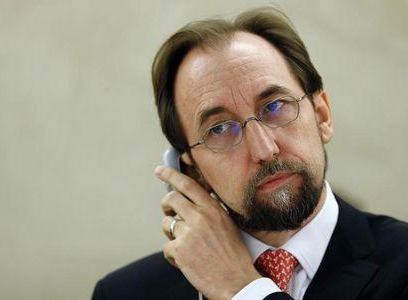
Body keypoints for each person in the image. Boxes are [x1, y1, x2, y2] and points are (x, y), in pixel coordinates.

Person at [92, 7, 408, 300]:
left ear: (322, 115)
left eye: (275, 107)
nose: (264, 149)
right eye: (219, 129)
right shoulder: (124, 293)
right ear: (192, 172)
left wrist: (242, 288)